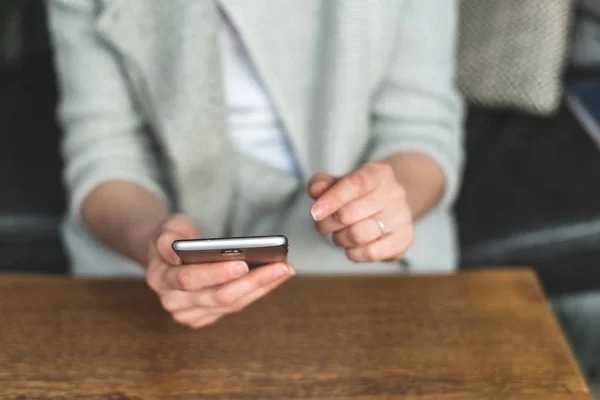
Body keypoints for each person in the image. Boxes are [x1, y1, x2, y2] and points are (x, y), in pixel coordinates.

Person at [47, 0, 463, 328]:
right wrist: (153, 243)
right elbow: (104, 153)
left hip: (356, 270)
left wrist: (388, 204)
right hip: (146, 269)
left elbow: (418, 126)